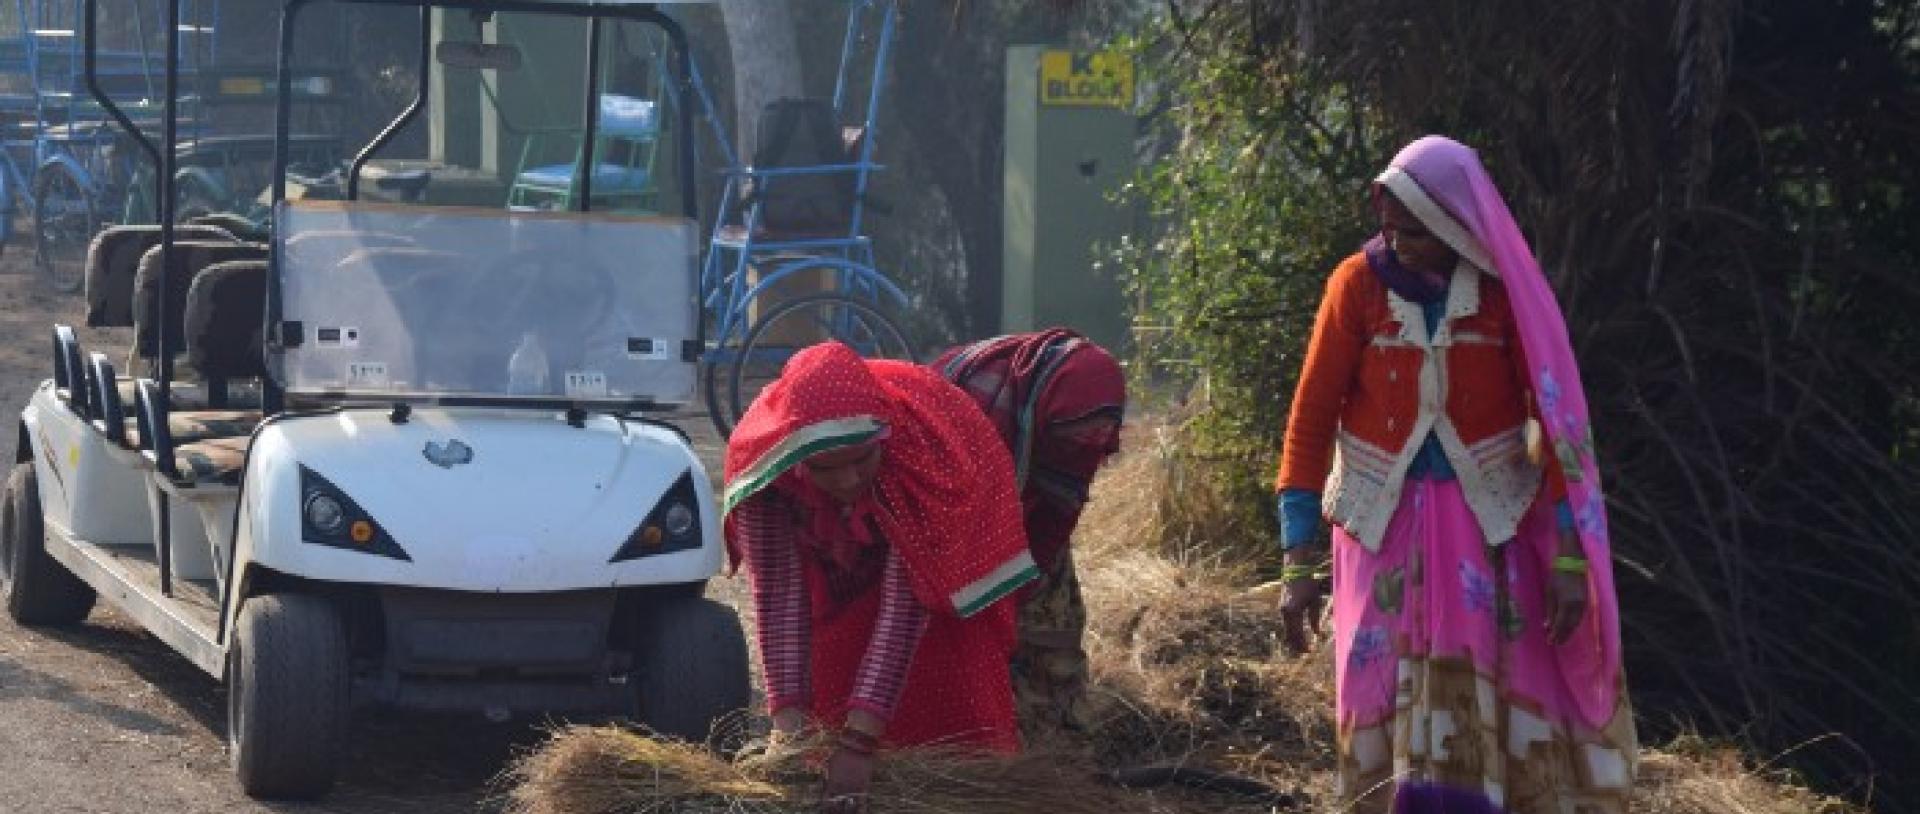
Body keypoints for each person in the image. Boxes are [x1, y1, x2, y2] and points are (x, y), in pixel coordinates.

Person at [1274, 136, 1637, 812]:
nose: (1399, 242)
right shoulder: (1355, 286)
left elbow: (1555, 424)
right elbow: (1310, 420)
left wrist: (1567, 556)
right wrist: (1297, 560)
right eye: (1390, 227)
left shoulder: (1502, 296)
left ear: (1455, 227)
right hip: (1376, 535)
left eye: (1416, 230)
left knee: (1474, 702)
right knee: (1375, 697)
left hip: (1484, 531)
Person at [721, 341, 1038, 811]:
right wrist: (788, 734)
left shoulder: (910, 456)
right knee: (831, 686)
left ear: (880, 443)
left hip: (942, 562)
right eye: (827, 469)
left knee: (952, 685)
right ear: (796, 458)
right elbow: (780, 603)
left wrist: (857, 745)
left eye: (860, 461)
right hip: (836, 568)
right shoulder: (763, 476)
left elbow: (904, 608)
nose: (848, 480)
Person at [934, 329, 1127, 740]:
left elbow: (1058, 510)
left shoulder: (1081, 415)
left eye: (1095, 438)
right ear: (1045, 407)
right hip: (952, 532)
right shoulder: (974, 403)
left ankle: (1055, 734)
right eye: (1074, 435)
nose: (1085, 447)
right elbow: (944, 510)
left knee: (1049, 628)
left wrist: (1027, 576)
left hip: (1030, 516)